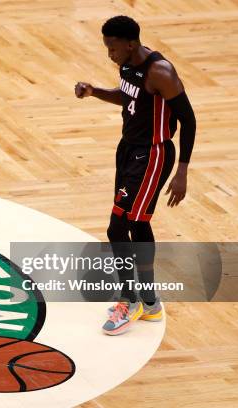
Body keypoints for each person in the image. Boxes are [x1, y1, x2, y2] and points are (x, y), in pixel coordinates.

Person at [75, 16, 196, 335]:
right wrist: (94, 91)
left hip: (152, 154)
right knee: (131, 224)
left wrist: (182, 170)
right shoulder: (128, 64)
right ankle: (148, 301)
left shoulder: (161, 72)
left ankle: (135, 300)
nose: (109, 54)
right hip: (128, 150)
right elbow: (127, 96)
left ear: (130, 44)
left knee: (122, 226)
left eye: (112, 48)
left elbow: (189, 120)